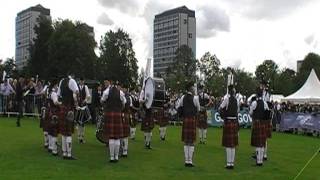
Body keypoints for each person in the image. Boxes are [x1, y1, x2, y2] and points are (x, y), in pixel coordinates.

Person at [101, 79, 126, 163]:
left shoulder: (106, 91)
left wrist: (107, 107)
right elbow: (124, 103)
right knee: (117, 137)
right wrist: (119, 109)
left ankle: (111, 157)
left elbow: (102, 100)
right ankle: (116, 157)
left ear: (111, 83)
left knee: (111, 137)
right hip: (118, 114)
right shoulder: (121, 93)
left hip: (109, 115)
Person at [177, 82, 200, 167]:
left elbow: (179, 107)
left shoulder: (183, 97)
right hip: (192, 120)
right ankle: (190, 161)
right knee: (192, 141)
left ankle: (186, 161)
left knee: (186, 141)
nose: (194, 88)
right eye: (193, 87)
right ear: (190, 88)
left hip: (185, 120)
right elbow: (198, 109)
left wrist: (182, 115)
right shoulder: (195, 98)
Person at [57, 75, 79, 160]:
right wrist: (75, 99)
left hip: (63, 107)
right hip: (69, 108)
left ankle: (64, 153)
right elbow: (77, 91)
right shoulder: (72, 81)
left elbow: (59, 94)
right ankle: (69, 154)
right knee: (68, 132)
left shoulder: (61, 81)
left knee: (63, 133)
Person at [219, 85, 239, 169]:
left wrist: (224, 116)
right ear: (233, 92)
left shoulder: (226, 99)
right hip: (234, 121)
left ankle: (228, 163)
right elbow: (237, 111)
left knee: (228, 144)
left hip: (228, 121)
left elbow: (220, 108)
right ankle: (231, 163)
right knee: (233, 144)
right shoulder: (237, 100)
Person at [250, 88, 269, 166]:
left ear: (257, 94)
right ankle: (260, 160)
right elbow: (267, 112)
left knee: (258, 143)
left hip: (257, 123)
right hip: (263, 123)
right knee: (262, 143)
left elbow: (250, 113)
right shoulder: (265, 103)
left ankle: (258, 161)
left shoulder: (254, 103)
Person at [47, 79, 61, 156]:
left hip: (50, 112)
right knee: (54, 131)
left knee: (50, 131)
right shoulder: (54, 93)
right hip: (54, 113)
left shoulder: (50, 92)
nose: (58, 87)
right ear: (55, 85)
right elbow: (55, 102)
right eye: (57, 85)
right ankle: (54, 150)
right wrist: (61, 103)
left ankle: (50, 146)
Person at [76, 77, 91, 143]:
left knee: (83, 123)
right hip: (78, 106)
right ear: (79, 81)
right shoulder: (76, 87)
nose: (81, 82)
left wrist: (85, 100)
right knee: (78, 122)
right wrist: (76, 100)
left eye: (82, 81)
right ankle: (79, 136)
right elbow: (74, 94)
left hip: (83, 107)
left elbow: (88, 95)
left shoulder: (86, 87)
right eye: (80, 81)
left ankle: (82, 137)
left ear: (84, 81)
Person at [121, 86, 131, 157]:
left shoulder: (127, 97)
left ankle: (125, 150)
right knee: (121, 133)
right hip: (121, 115)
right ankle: (122, 149)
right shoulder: (122, 95)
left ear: (126, 89)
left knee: (125, 134)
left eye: (123, 88)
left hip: (125, 115)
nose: (122, 89)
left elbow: (124, 106)